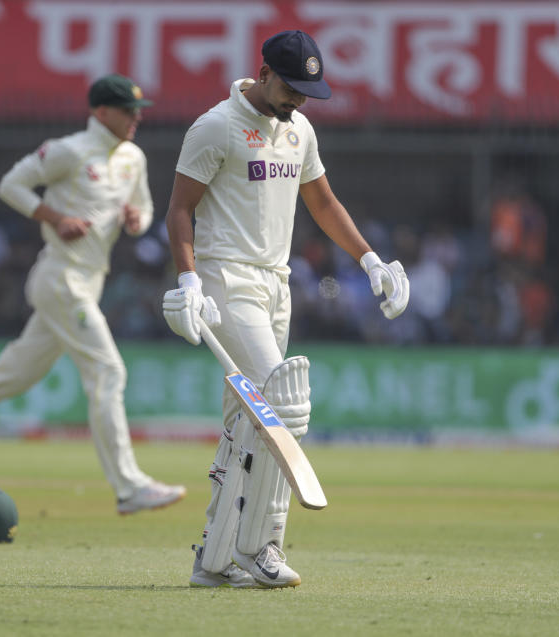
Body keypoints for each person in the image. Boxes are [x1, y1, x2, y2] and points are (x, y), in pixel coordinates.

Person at [162, 31, 409, 588]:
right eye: (291, 88)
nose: (298, 100)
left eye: (307, 91)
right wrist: (190, 279)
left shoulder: (300, 129)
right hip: (228, 281)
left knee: (242, 424)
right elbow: (180, 209)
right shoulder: (215, 126)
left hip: (278, 285)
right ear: (264, 71)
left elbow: (321, 201)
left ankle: (215, 555)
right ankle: (262, 545)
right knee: (284, 401)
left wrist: (370, 261)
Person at [0, 74, 186, 515]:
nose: (137, 117)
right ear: (101, 112)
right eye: (129, 111)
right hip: (61, 278)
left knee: (13, 374)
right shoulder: (69, 150)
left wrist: (136, 220)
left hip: (89, 280)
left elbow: (145, 209)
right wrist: (54, 217)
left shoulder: (133, 158)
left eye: (139, 110)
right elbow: (10, 184)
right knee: (108, 371)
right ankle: (129, 486)